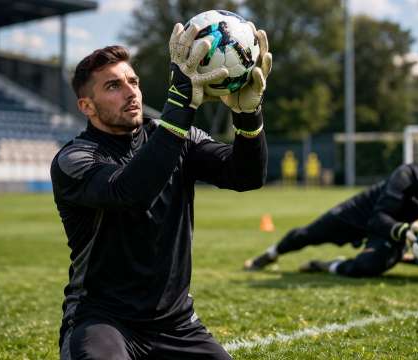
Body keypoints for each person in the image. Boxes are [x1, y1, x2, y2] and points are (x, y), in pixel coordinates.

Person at [51, 21, 272, 360]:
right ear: (87, 106)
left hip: (178, 325)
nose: (130, 92)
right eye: (113, 86)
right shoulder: (74, 159)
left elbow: (245, 176)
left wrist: (248, 117)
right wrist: (180, 106)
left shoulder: (173, 136)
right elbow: (130, 191)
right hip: (104, 322)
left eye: (133, 81)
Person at [244, 148, 418, 277]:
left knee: (368, 267)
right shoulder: (409, 175)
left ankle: (328, 266)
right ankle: (269, 254)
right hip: (367, 212)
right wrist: (406, 230)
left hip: (395, 236)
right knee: (308, 234)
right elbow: (378, 218)